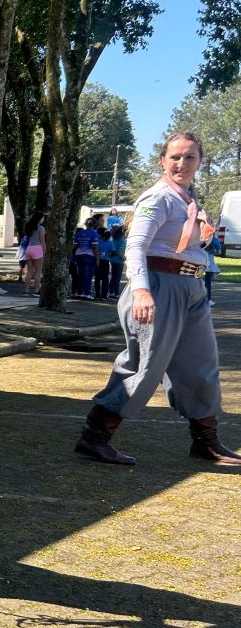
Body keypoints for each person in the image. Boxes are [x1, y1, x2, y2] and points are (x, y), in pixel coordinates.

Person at [76, 131, 241, 467]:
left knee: (201, 366)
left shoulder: (188, 197)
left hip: (191, 288)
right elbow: (135, 246)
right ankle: (94, 439)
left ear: (200, 161)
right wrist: (140, 289)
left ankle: (206, 442)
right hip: (158, 286)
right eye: (175, 157)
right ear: (163, 161)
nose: (182, 163)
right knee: (144, 367)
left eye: (190, 157)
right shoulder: (159, 197)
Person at [72, 215, 101, 298]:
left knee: (80, 275)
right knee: (88, 275)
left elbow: (75, 246)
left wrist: (74, 256)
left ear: (85, 224)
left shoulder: (79, 233)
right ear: (94, 225)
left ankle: (79, 292)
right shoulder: (94, 234)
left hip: (79, 255)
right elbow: (94, 247)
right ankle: (87, 293)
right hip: (89, 256)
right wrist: (97, 259)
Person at [20, 210, 45, 296]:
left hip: (29, 249)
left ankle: (26, 291)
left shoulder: (28, 226)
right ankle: (36, 291)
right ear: (40, 218)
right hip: (37, 248)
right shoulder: (41, 228)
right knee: (38, 271)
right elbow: (42, 241)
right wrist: (44, 251)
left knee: (29, 271)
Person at [107, 224, 126, 299]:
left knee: (113, 277)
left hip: (113, 260)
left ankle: (111, 292)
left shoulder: (113, 239)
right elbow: (120, 251)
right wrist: (125, 259)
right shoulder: (122, 240)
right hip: (119, 261)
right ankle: (116, 293)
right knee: (117, 278)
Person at [94, 224, 112, 299]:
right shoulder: (110, 242)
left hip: (98, 260)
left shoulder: (98, 241)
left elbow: (95, 249)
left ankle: (97, 295)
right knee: (105, 278)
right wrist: (109, 256)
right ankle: (104, 295)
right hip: (106, 261)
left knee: (97, 278)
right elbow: (113, 252)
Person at [204, 232, 222, 306]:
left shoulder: (201, 239)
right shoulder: (215, 240)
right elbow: (219, 252)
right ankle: (208, 299)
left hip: (200, 259)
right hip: (210, 262)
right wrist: (213, 252)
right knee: (208, 283)